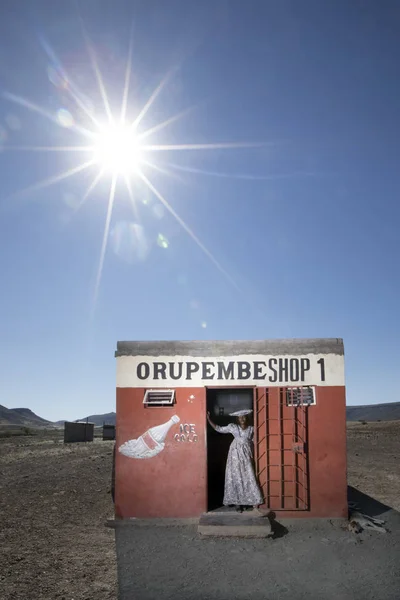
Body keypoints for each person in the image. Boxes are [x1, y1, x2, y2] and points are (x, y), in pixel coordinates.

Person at [207, 408, 264, 515]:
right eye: (240, 417)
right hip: (235, 455)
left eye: (244, 417)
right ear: (237, 419)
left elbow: (255, 441)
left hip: (246, 455)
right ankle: (238, 504)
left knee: (248, 476)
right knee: (236, 476)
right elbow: (219, 428)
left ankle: (249, 501)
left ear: (247, 418)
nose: (242, 419)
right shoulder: (233, 427)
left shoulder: (252, 429)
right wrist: (209, 419)